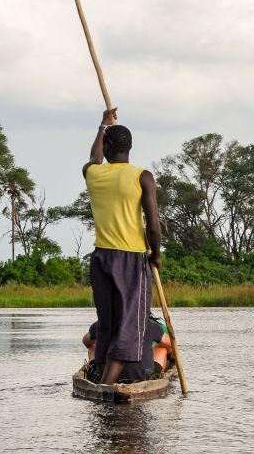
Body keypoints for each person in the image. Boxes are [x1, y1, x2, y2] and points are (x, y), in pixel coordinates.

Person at [83, 108, 162, 385]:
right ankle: (106, 386)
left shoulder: (93, 174)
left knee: (108, 321)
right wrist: (157, 255)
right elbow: (153, 225)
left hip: (101, 257)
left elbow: (93, 158)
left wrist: (102, 126)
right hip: (131, 259)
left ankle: (101, 377)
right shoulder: (143, 176)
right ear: (129, 147)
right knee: (131, 323)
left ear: (108, 146)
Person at [82, 315, 172, 382]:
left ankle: (94, 371)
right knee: (162, 349)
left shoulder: (102, 323)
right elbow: (171, 345)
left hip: (104, 377)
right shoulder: (149, 324)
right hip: (143, 377)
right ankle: (158, 372)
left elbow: (86, 341)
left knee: (93, 347)